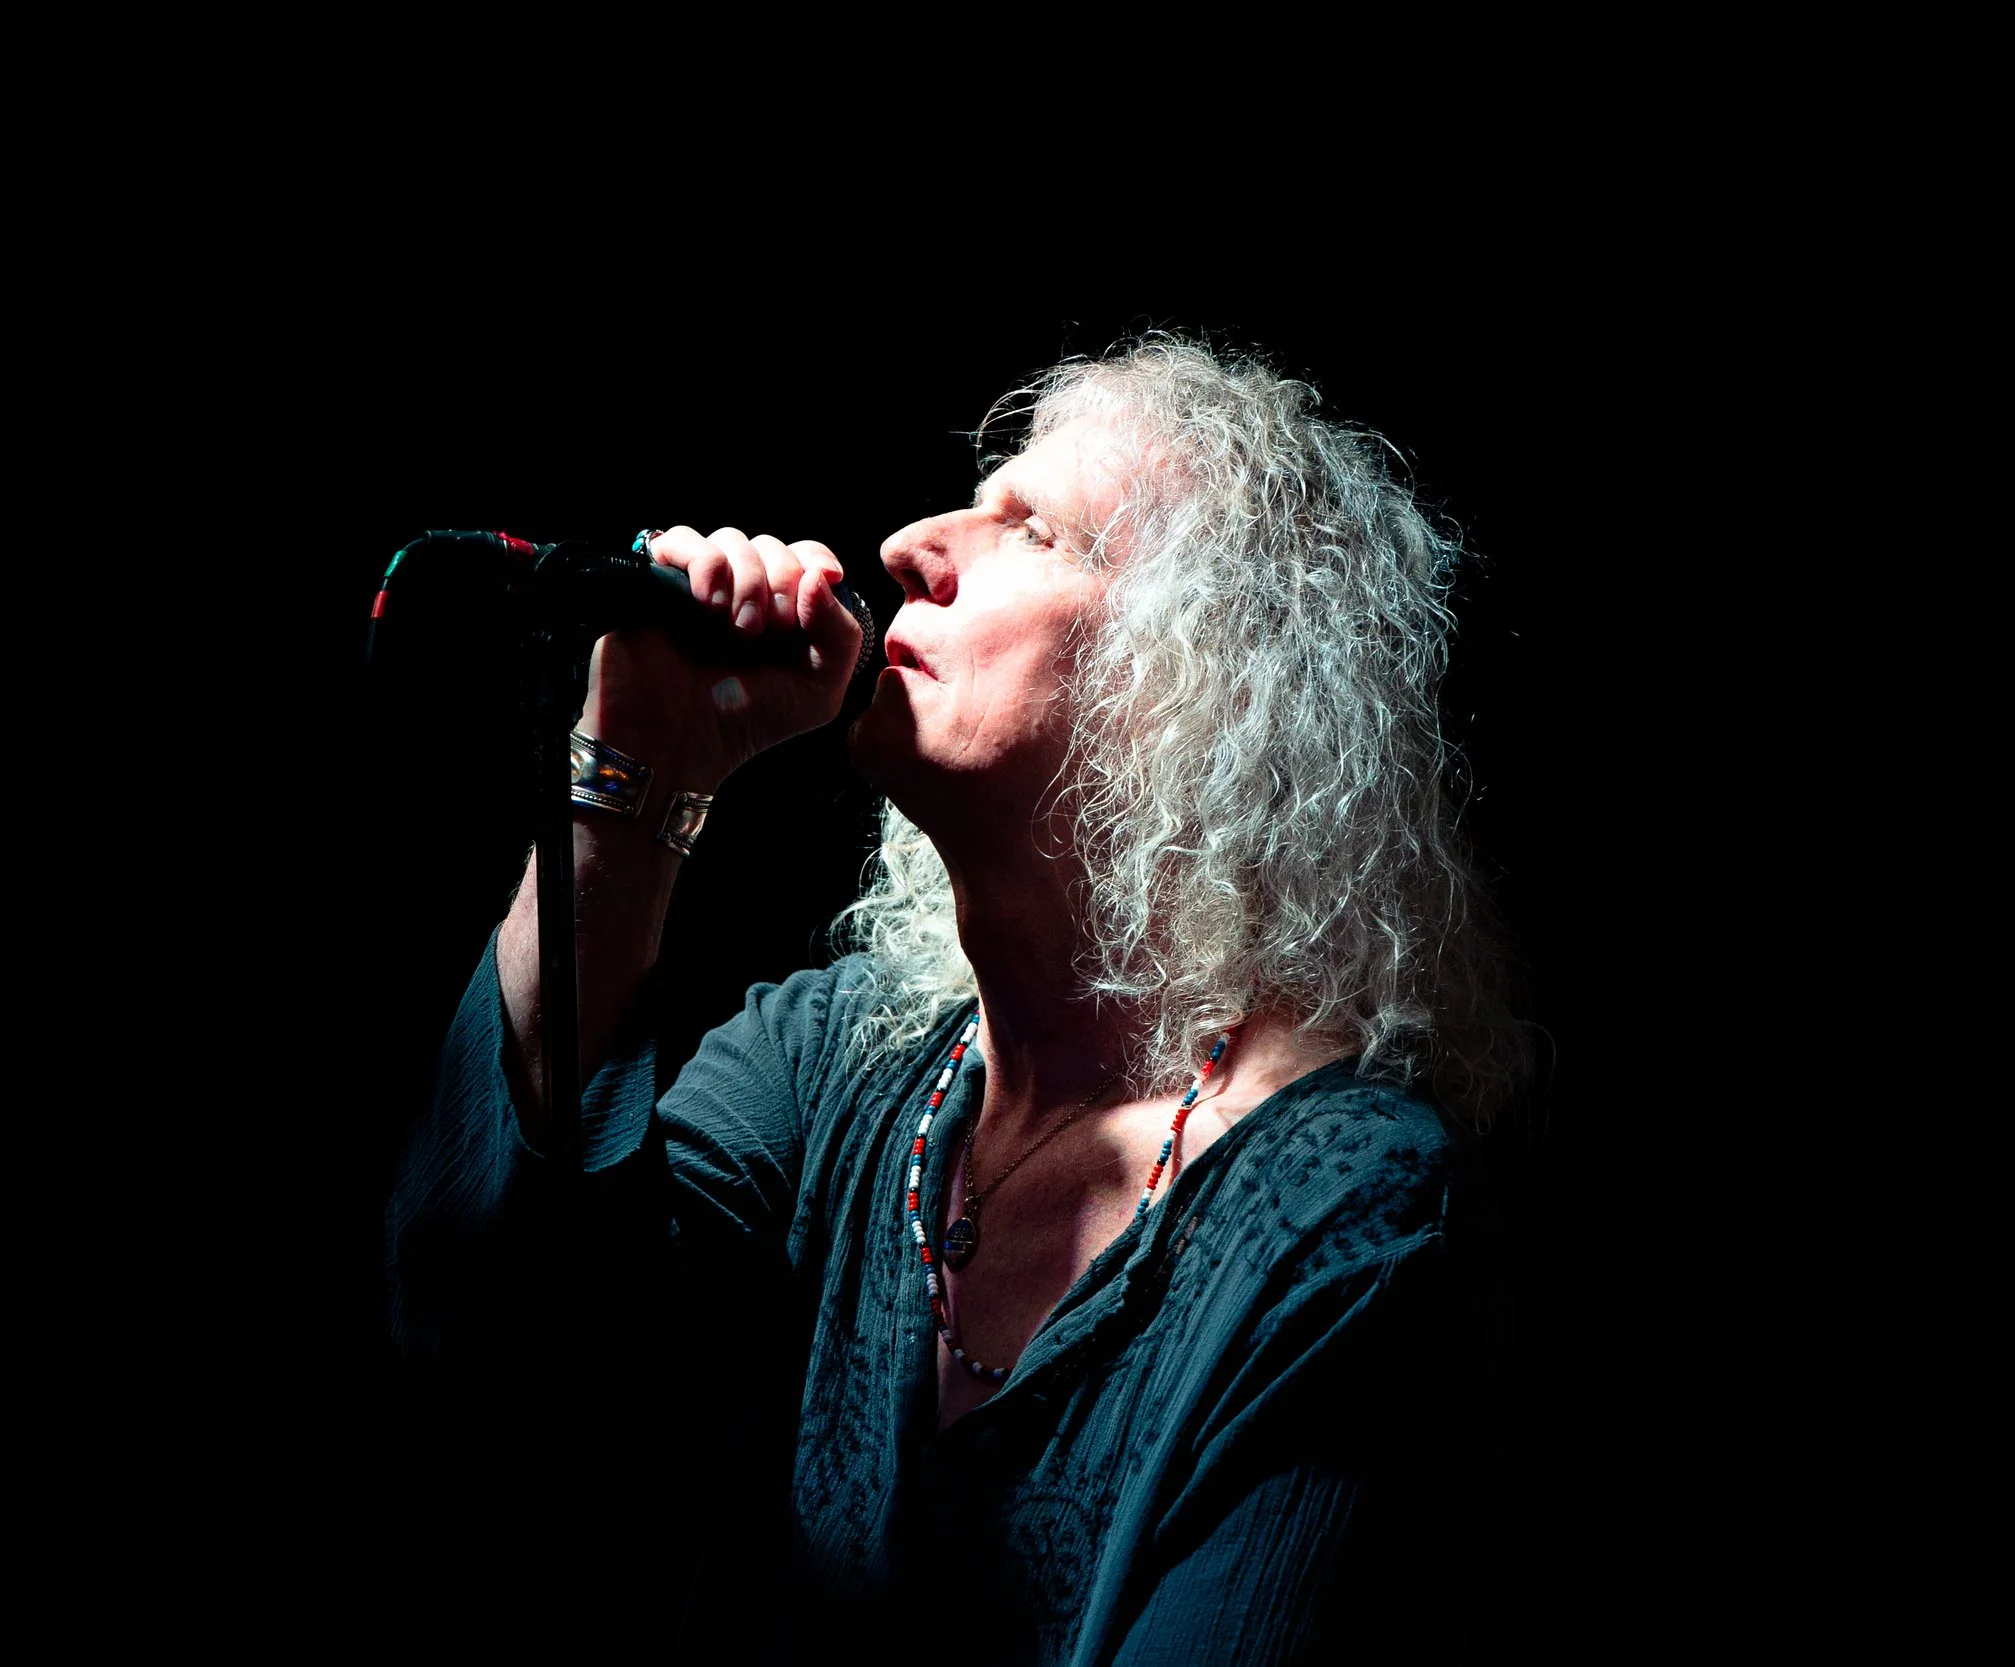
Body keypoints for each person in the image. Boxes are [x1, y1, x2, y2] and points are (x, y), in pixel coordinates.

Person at [388, 339, 1528, 1660]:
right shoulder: (841, 1060)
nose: (911, 543)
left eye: (1033, 527)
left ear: (1203, 681)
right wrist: (631, 781)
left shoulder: (1350, 1214)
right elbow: (476, 1342)